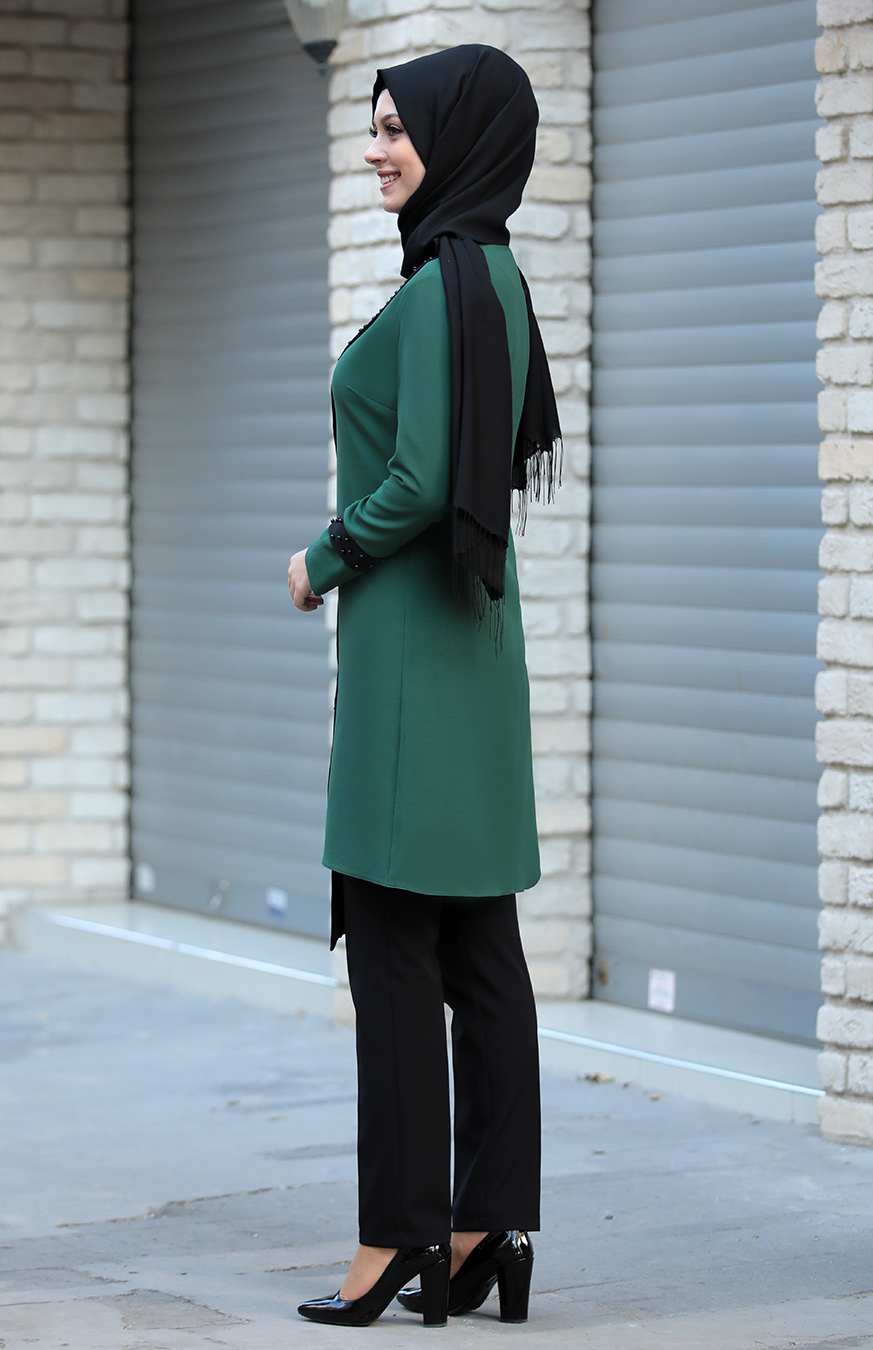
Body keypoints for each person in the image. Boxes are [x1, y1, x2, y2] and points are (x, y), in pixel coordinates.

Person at [287, 43, 562, 1329]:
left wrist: (316, 559)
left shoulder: (447, 282)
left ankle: (396, 1239)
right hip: (475, 660)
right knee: (478, 951)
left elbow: (412, 484)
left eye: (398, 127)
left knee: (396, 954)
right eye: (374, 126)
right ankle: (483, 1227)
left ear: (459, 138)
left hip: (407, 663)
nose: (376, 148)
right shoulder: (495, 281)